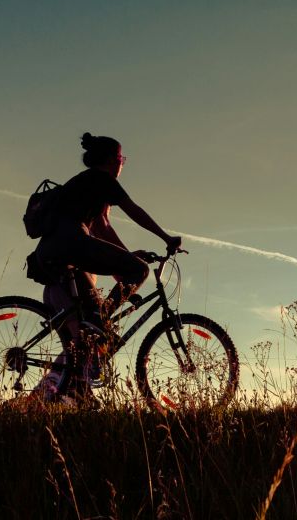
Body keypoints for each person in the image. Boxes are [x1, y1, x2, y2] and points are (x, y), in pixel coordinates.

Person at [31, 133, 183, 399]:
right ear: (114, 160)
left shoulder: (85, 185)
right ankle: (101, 323)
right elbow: (133, 210)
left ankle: (64, 390)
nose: (122, 164)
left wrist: (125, 258)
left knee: (82, 337)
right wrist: (166, 237)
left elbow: (102, 228)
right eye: (121, 159)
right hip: (72, 243)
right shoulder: (103, 179)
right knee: (140, 272)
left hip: (50, 251)